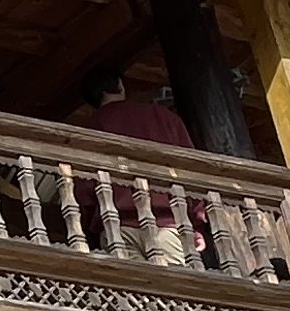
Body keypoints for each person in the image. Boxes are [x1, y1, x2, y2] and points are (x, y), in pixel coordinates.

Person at [72, 63, 201, 265]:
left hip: (116, 227)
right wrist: (196, 220)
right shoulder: (163, 118)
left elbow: (83, 190)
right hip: (167, 222)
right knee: (176, 291)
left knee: (133, 294)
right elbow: (191, 170)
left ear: (92, 99)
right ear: (120, 86)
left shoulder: (88, 132)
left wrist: (90, 227)